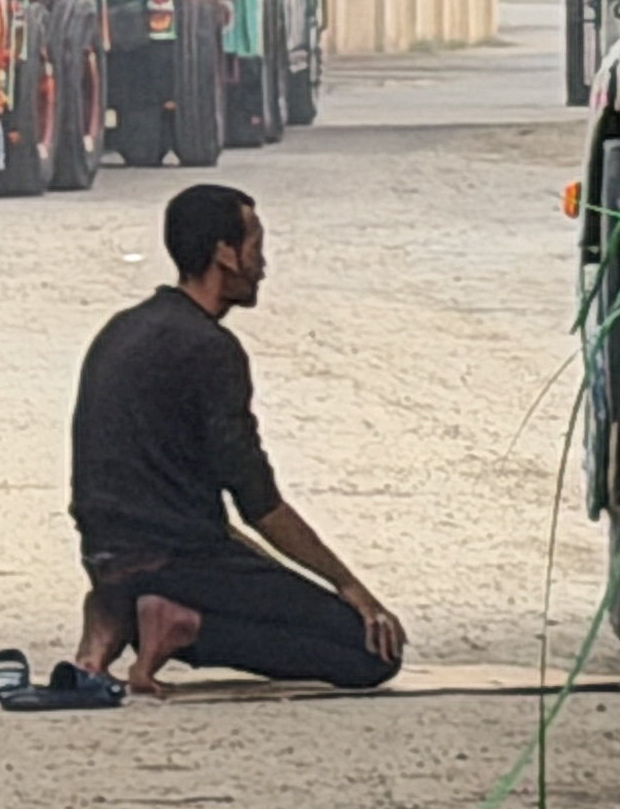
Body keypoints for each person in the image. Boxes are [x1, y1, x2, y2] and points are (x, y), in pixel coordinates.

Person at [67, 183, 405, 693]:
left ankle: (118, 617)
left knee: (249, 583)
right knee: (369, 653)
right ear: (225, 253)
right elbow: (258, 502)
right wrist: (351, 587)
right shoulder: (210, 348)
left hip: (106, 555)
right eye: (256, 249)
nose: (262, 266)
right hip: (178, 561)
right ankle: (182, 625)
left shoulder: (122, 328)